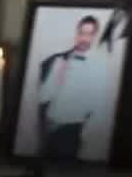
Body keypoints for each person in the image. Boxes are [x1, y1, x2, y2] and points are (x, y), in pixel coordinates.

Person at [39, 15, 101, 158]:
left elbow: (96, 106)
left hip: (74, 131)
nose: (84, 38)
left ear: (95, 36)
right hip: (50, 129)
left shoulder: (99, 67)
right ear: (76, 33)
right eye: (82, 33)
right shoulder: (59, 60)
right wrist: (58, 76)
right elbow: (43, 97)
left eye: (90, 34)